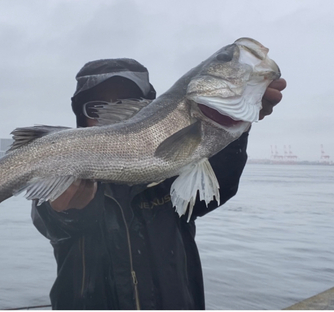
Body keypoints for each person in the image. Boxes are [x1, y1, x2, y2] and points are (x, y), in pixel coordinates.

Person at [31, 58, 286, 310]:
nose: (110, 114)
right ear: (80, 117)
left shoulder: (176, 171)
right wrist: (65, 209)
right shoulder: (59, 172)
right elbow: (50, 222)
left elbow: (218, 187)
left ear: (153, 111)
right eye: (96, 107)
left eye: (127, 104)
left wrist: (233, 126)